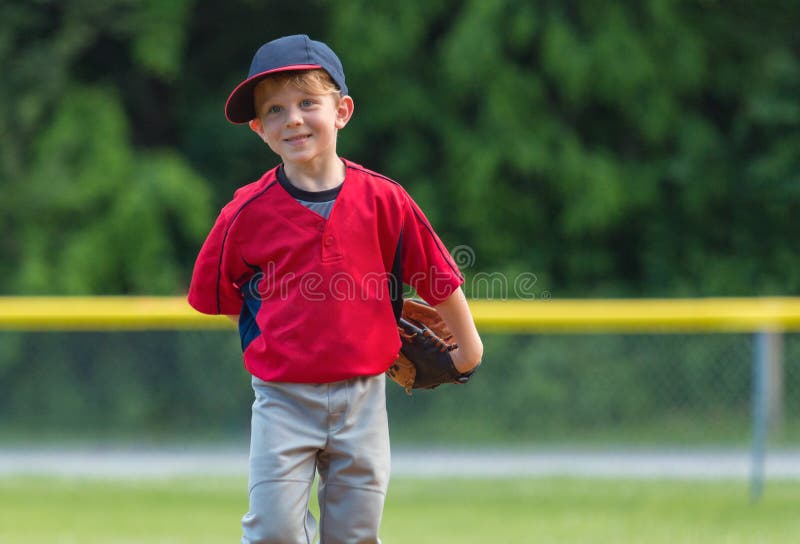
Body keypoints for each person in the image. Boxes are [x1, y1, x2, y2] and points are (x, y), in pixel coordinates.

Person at [187, 34, 483, 543]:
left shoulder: (384, 199)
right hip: (283, 399)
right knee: (275, 530)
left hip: (363, 397)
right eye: (275, 111)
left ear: (342, 110)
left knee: (355, 533)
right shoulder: (245, 213)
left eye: (308, 102)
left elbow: (437, 276)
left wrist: (469, 347)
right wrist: (286, 319)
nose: (293, 119)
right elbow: (215, 294)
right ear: (259, 129)